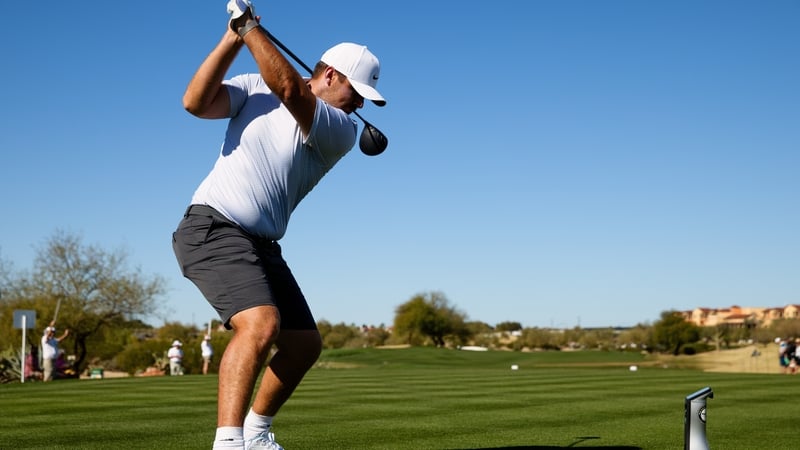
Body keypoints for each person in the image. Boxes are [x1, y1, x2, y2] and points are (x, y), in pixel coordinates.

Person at [171, 1, 386, 448]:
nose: (361, 103)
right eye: (358, 91)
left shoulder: (339, 129)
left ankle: (256, 435)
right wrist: (233, 38)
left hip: (261, 245)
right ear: (331, 75)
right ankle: (229, 443)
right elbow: (194, 103)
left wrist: (248, 27)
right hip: (213, 228)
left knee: (304, 345)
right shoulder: (255, 87)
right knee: (261, 324)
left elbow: (289, 88)